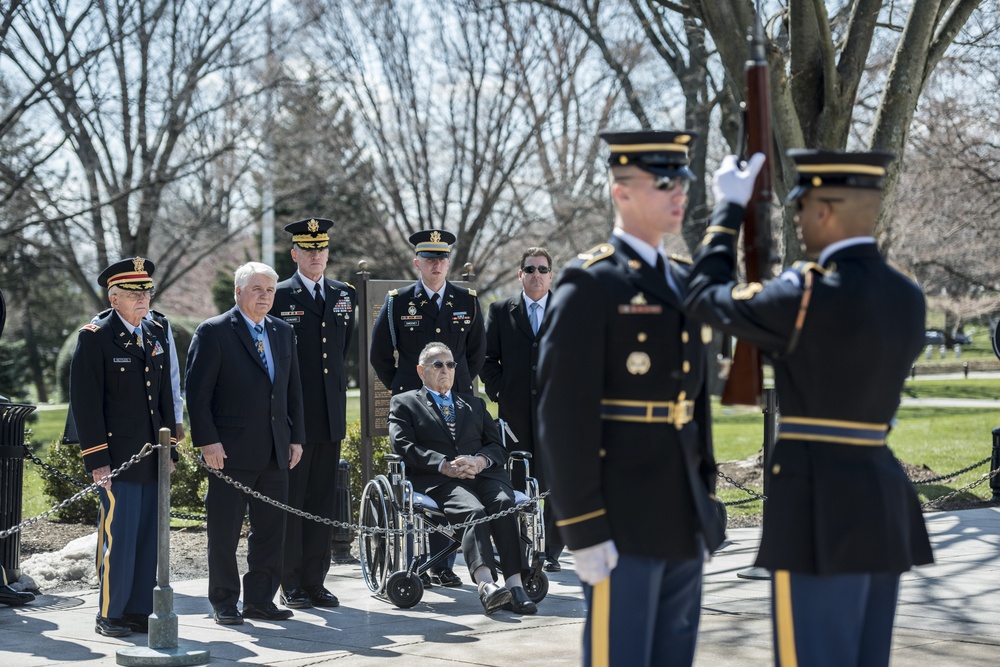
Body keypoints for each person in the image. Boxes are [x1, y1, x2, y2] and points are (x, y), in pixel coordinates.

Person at [688, 149, 933, 667]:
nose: (798, 221)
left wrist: (728, 211)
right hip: (882, 497)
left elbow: (704, 297)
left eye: (801, 210)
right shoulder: (908, 296)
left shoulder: (805, 293)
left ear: (824, 212)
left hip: (817, 501)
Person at [536, 129, 725, 667]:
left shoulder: (685, 279)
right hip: (620, 515)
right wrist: (584, 527)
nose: (678, 192)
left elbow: (694, 401)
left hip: (681, 508)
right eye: (663, 181)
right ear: (621, 192)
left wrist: (705, 491)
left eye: (682, 179)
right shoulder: (591, 282)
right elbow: (562, 416)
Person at [185, 261, 306, 626]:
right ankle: (224, 601)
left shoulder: (283, 332)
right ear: (238, 292)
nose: (264, 296)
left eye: (269, 290)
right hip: (230, 452)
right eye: (256, 289)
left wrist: (296, 437)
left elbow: (292, 391)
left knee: (271, 531)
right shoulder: (214, 331)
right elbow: (197, 393)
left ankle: (259, 601)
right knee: (223, 533)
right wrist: (208, 442)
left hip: (275, 449)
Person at [370, 228, 485, 587]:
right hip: (417, 408)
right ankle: (419, 559)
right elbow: (379, 354)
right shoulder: (398, 302)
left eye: (442, 259)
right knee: (424, 477)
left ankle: (444, 563)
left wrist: (455, 385)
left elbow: (475, 353)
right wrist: (406, 391)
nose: (436, 265)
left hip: (456, 403)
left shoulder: (466, 300)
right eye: (429, 259)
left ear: (448, 262)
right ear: (417, 262)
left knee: (455, 476)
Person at [69, 257, 177, 637]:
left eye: (146, 291)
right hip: (117, 459)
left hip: (151, 455)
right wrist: (98, 461)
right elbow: (86, 405)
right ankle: (109, 613)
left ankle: (137, 610)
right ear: (114, 298)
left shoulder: (155, 333)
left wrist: (172, 450)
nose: (143, 298)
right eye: (134, 293)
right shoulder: (95, 336)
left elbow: (164, 397)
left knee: (148, 537)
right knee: (120, 537)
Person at [389, 342, 535, 615]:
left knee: (504, 503)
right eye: (438, 365)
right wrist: (443, 465)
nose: (446, 370)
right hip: (441, 480)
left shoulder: (474, 404)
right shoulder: (405, 403)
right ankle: (487, 585)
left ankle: (515, 585)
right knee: (473, 511)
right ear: (421, 371)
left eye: (451, 364)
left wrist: (480, 461)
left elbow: (496, 446)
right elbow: (403, 446)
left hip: (484, 474)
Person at [271, 218, 357, 610]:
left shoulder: (343, 294)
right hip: (294, 417)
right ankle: (290, 582)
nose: (316, 255)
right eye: (308, 249)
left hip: (329, 413)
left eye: (321, 249)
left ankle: (316, 580)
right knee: (295, 500)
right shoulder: (281, 295)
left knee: (322, 501)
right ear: (294, 254)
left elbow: (342, 352)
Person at [481, 246, 565, 572]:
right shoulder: (501, 311)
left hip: (555, 414)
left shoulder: (566, 310)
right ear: (520, 274)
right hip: (514, 416)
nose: (536, 275)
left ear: (551, 275)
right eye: (530, 269)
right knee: (516, 482)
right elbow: (488, 361)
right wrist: (501, 390)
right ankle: (518, 546)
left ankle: (552, 551)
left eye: (543, 269)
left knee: (555, 482)